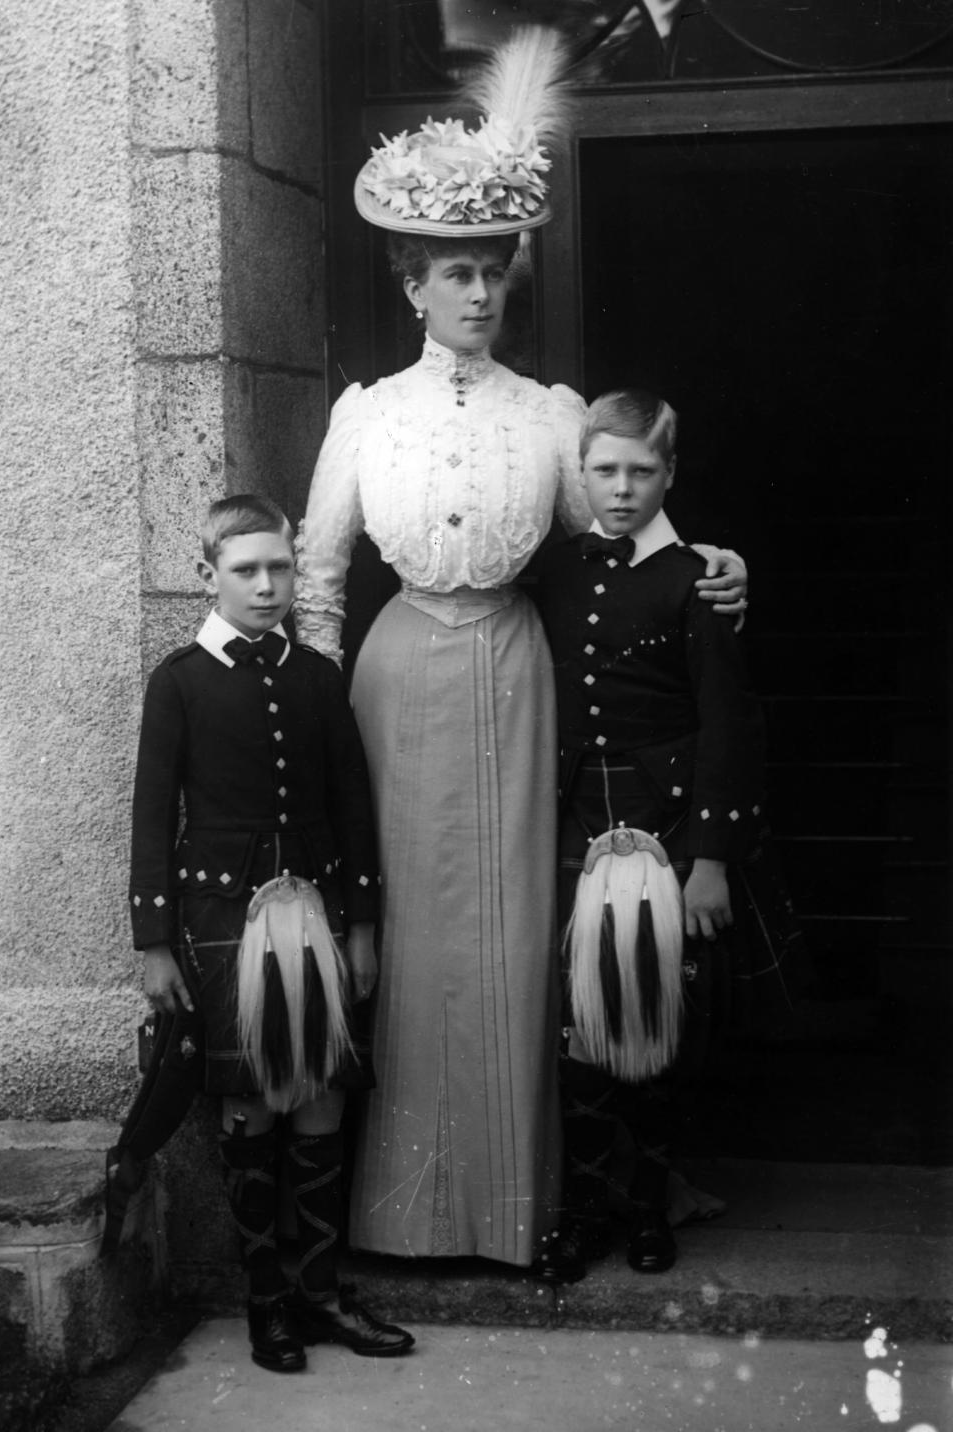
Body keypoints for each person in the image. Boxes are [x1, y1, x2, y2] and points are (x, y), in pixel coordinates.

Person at [293, 32, 748, 1268]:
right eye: (455, 272)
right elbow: (324, 581)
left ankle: (519, 1209)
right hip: (394, 682)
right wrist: (325, 733)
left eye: (494, 272)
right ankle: (403, 1212)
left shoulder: (549, 416)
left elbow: (618, 517)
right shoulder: (366, 414)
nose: (480, 294)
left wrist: (709, 567)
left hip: (514, 674)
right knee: (413, 936)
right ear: (411, 283)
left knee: (508, 937)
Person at [121, 493, 414, 1372]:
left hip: (316, 913)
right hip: (220, 918)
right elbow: (148, 816)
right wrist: (154, 942)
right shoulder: (178, 680)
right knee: (250, 1101)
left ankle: (322, 1295)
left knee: (320, 1087)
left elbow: (354, 808)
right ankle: (266, 1304)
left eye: (280, 566)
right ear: (207, 574)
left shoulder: (318, 676)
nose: (266, 584)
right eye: (245, 569)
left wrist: (362, 924)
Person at [530, 389, 766, 1283]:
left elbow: (726, 726)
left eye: (640, 471)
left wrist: (710, 862)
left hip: (664, 827)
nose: (621, 489)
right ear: (580, 473)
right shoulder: (555, 569)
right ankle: (587, 1209)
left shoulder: (699, 580)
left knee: (654, 1014)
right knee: (581, 1026)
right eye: (604, 471)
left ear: (670, 472)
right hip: (575, 817)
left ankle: (649, 1204)